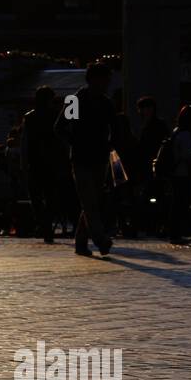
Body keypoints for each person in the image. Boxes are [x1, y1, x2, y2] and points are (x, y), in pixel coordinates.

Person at [55, 60, 114, 257]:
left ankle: (81, 242)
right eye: (104, 79)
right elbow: (60, 126)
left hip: (100, 158)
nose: (106, 83)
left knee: (91, 202)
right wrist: (74, 141)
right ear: (93, 80)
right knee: (89, 200)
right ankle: (100, 239)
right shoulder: (76, 100)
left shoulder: (106, 103)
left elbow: (113, 128)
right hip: (80, 158)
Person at [21, 86, 61, 243]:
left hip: (34, 162)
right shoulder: (56, 116)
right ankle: (47, 225)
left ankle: (43, 225)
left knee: (35, 198)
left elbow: (25, 142)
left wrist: (23, 163)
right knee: (51, 197)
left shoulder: (29, 117)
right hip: (51, 162)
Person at [132, 96, 169, 236]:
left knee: (154, 194)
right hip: (147, 165)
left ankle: (154, 223)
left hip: (155, 165)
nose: (143, 111)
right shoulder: (145, 125)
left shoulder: (156, 125)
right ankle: (152, 223)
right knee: (151, 194)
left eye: (146, 108)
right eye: (142, 108)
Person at [168, 105, 191, 243]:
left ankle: (175, 233)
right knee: (181, 204)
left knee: (177, 203)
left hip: (175, 172)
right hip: (183, 173)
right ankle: (176, 234)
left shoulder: (176, 131)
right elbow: (188, 155)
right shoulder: (186, 134)